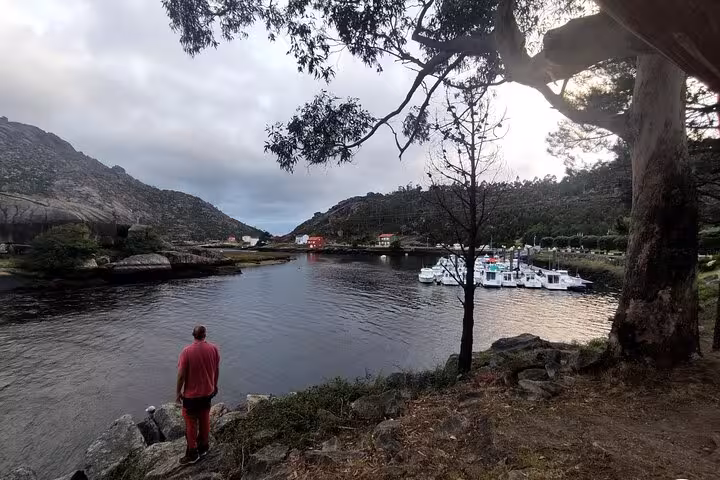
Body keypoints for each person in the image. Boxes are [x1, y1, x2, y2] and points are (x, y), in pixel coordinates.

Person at [176, 325, 220, 465]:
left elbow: (181, 375)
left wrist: (178, 392)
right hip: (208, 393)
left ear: (193, 335)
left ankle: (192, 453)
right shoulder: (213, 349)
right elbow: (216, 369)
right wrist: (214, 385)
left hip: (191, 396)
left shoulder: (186, 352)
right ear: (205, 335)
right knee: (204, 418)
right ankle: (204, 447)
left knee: (190, 423)